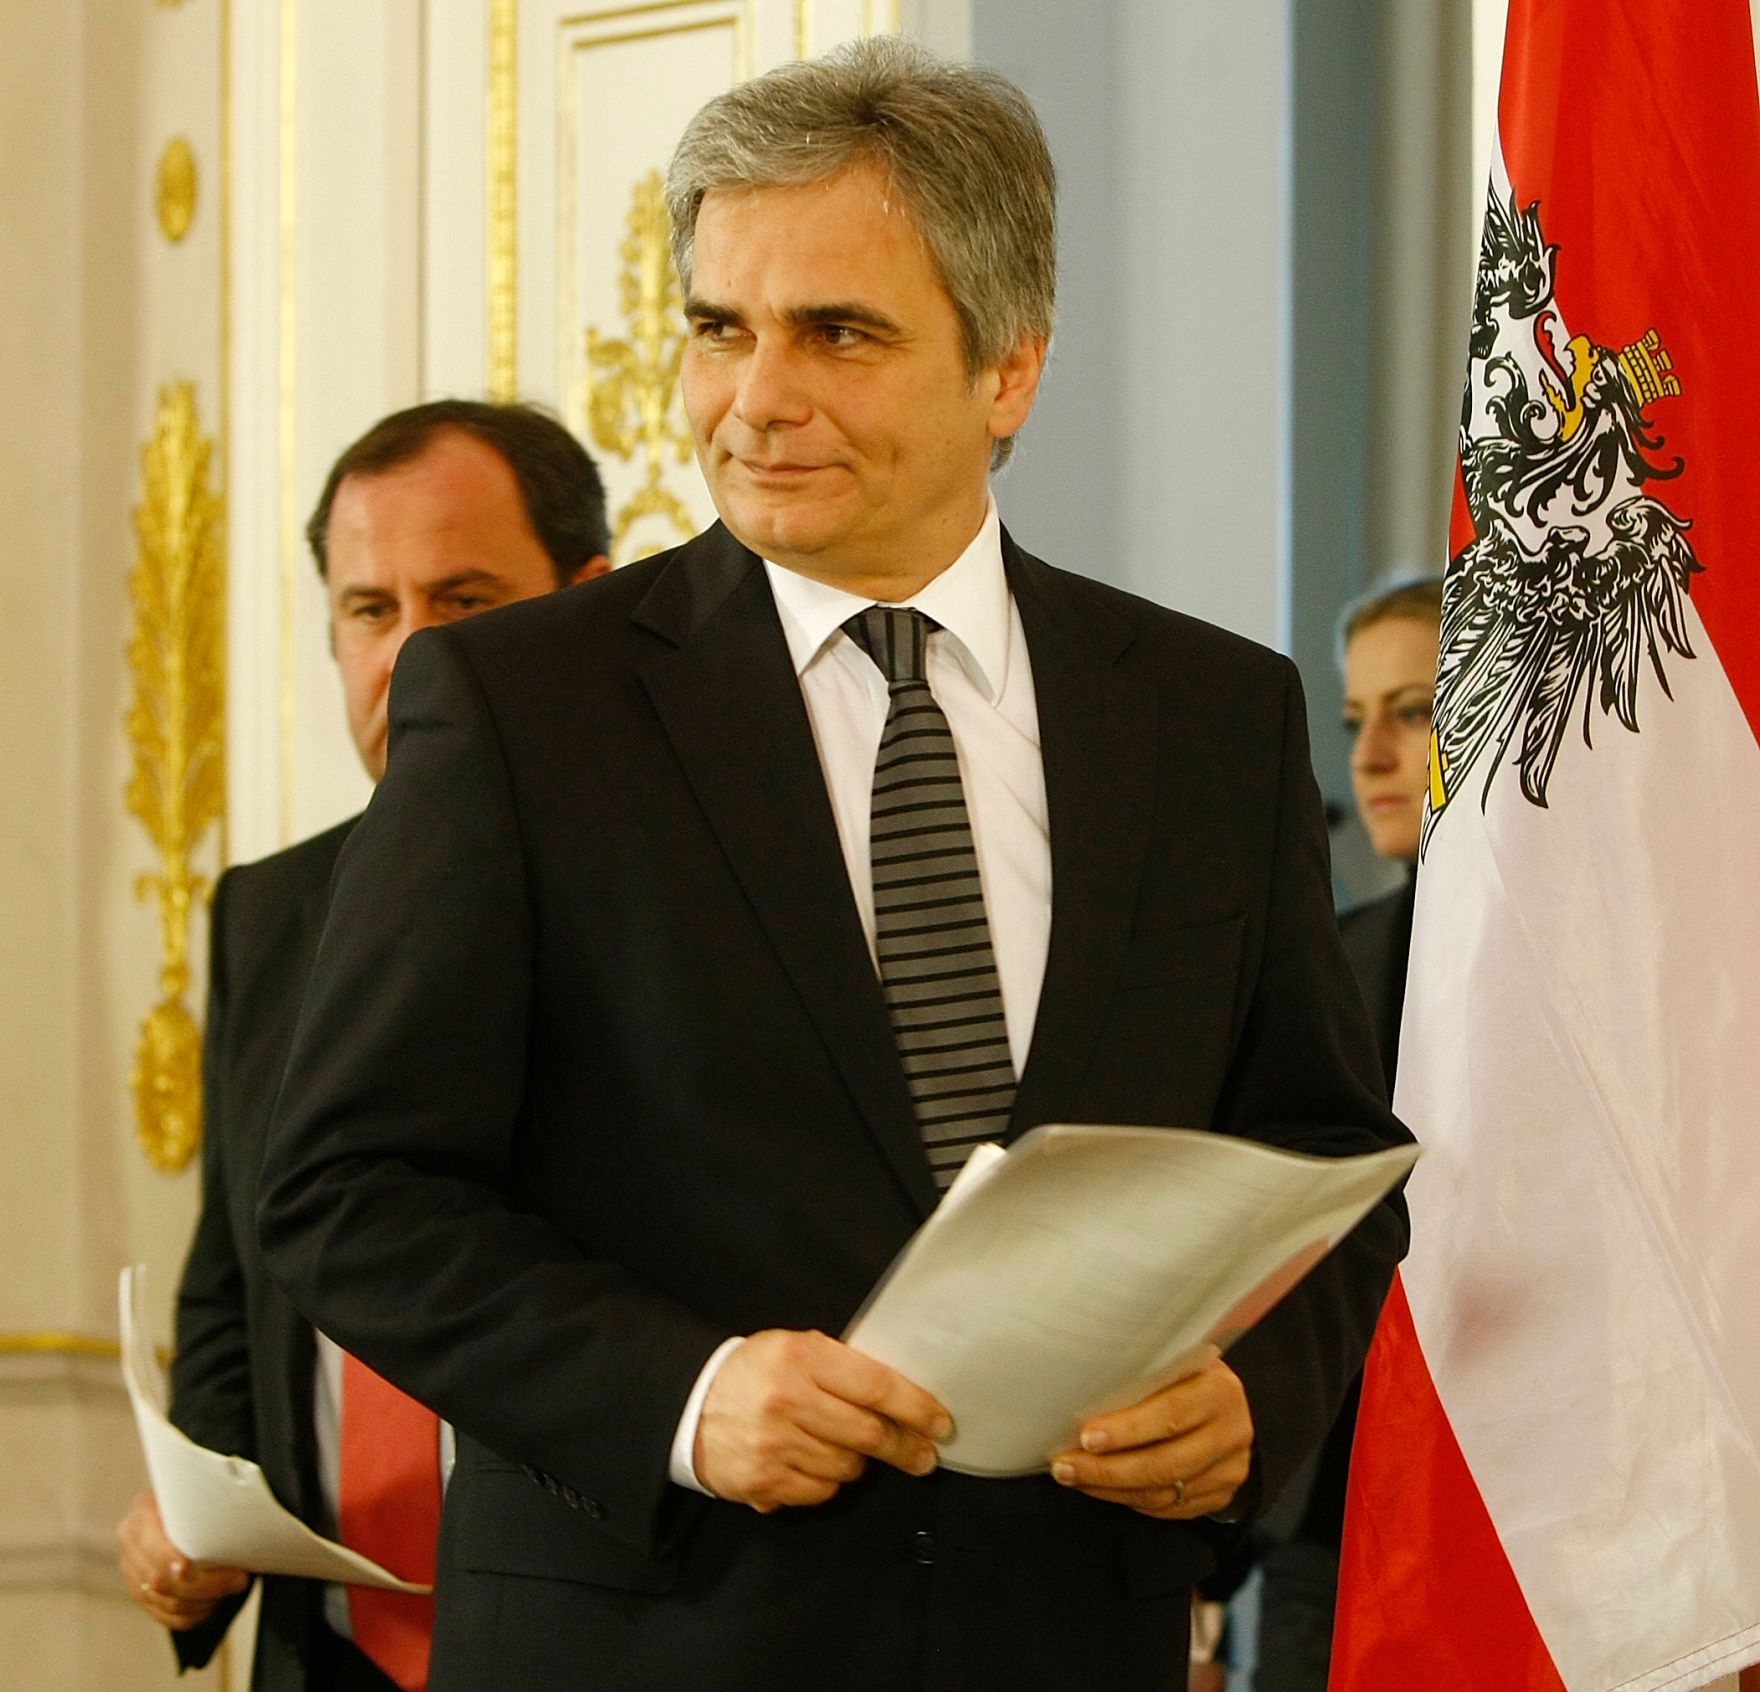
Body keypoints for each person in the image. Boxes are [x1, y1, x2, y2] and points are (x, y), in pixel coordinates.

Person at [257, 40, 1411, 1692]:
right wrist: (683, 1393)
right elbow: (344, 1190)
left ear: (1007, 368)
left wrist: (1254, 1397)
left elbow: (1326, 1156)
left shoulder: (1215, 716)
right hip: (648, 1642)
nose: (755, 397)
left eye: (837, 333)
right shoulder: (524, 708)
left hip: (1067, 1635)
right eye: (720, 328)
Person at [115, 400, 611, 1692]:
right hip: (323, 1656)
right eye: (370, 612)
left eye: (463, 600)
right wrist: (195, 1516)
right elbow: (234, 1288)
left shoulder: (685, 917)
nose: (413, 662)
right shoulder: (268, 917)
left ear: (588, 604)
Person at [1239, 576, 1441, 1692]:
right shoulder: (1336, 955)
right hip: (1327, 1519)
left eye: (1410, 712)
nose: (1367, 756)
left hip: (1515, 1501)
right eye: (1355, 717)